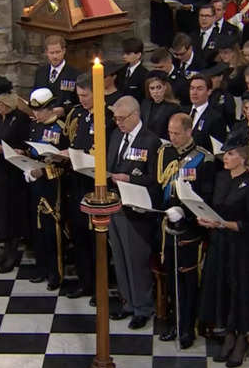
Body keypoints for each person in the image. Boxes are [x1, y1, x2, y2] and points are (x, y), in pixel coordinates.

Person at [198, 129, 249, 367]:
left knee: (240, 293)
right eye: (225, 153)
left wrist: (222, 224)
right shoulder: (222, 178)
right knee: (222, 288)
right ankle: (227, 333)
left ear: (243, 158)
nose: (225, 157)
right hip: (220, 244)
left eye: (231, 154)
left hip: (241, 249)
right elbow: (215, 207)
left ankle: (242, 338)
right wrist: (206, 218)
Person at [157, 113, 215, 348]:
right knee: (171, 279)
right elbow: (159, 185)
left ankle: (187, 328)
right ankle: (174, 323)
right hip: (166, 227)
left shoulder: (203, 159)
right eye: (170, 133)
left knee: (188, 281)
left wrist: (187, 214)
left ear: (189, 131)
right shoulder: (166, 153)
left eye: (177, 134)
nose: (172, 138)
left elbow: (206, 197)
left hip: (190, 230)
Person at [108, 95, 161, 329]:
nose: (118, 122)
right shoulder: (116, 135)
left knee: (136, 259)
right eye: (115, 118)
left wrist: (129, 178)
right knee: (119, 256)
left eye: (121, 118)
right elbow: (111, 164)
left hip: (137, 208)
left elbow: (156, 179)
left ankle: (143, 306)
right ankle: (127, 301)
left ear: (135, 115)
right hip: (115, 203)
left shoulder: (151, 141)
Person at [62, 73, 112, 302]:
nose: (81, 100)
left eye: (85, 95)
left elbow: (105, 154)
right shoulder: (81, 114)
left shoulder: (108, 117)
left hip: (96, 185)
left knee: (95, 239)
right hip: (77, 181)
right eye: (79, 95)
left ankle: (100, 285)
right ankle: (85, 282)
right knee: (79, 235)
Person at [0, 76, 30, 273]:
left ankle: (12, 252)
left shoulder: (20, 118)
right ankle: (3, 251)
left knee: (10, 213)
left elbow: (25, 146)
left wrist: (6, 150)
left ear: (7, 102)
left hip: (11, 174)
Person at [26, 87, 69, 291]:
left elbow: (66, 163)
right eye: (34, 110)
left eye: (40, 110)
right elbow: (31, 151)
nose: (36, 114)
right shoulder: (34, 127)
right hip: (34, 182)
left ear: (50, 108)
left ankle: (56, 272)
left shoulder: (61, 129)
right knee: (38, 227)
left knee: (53, 229)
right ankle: (41, 267)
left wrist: (45, 171)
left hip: (54, 185)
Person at [33, 35, 80, 116]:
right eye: (52, 53)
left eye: (58, 52)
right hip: (43, 121)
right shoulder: (40, 72)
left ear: (64, 51)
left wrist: (65, 110)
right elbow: (35, 96)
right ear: (46, 53)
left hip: (65, 122)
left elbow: (80, 103)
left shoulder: (75, 74)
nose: (55, 56)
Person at [186, 73, 228, 152]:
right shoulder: (183, 112)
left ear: (209, 91)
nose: (194, 92)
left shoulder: (215, 118)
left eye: (199, 89)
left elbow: (218, 150)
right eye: (192, 88)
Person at [140, 70, 181, 140]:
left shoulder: (174, 107)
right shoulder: (145, 104)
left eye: (158, 87)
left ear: (165, 87)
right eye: (152, 88)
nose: (155, 92)